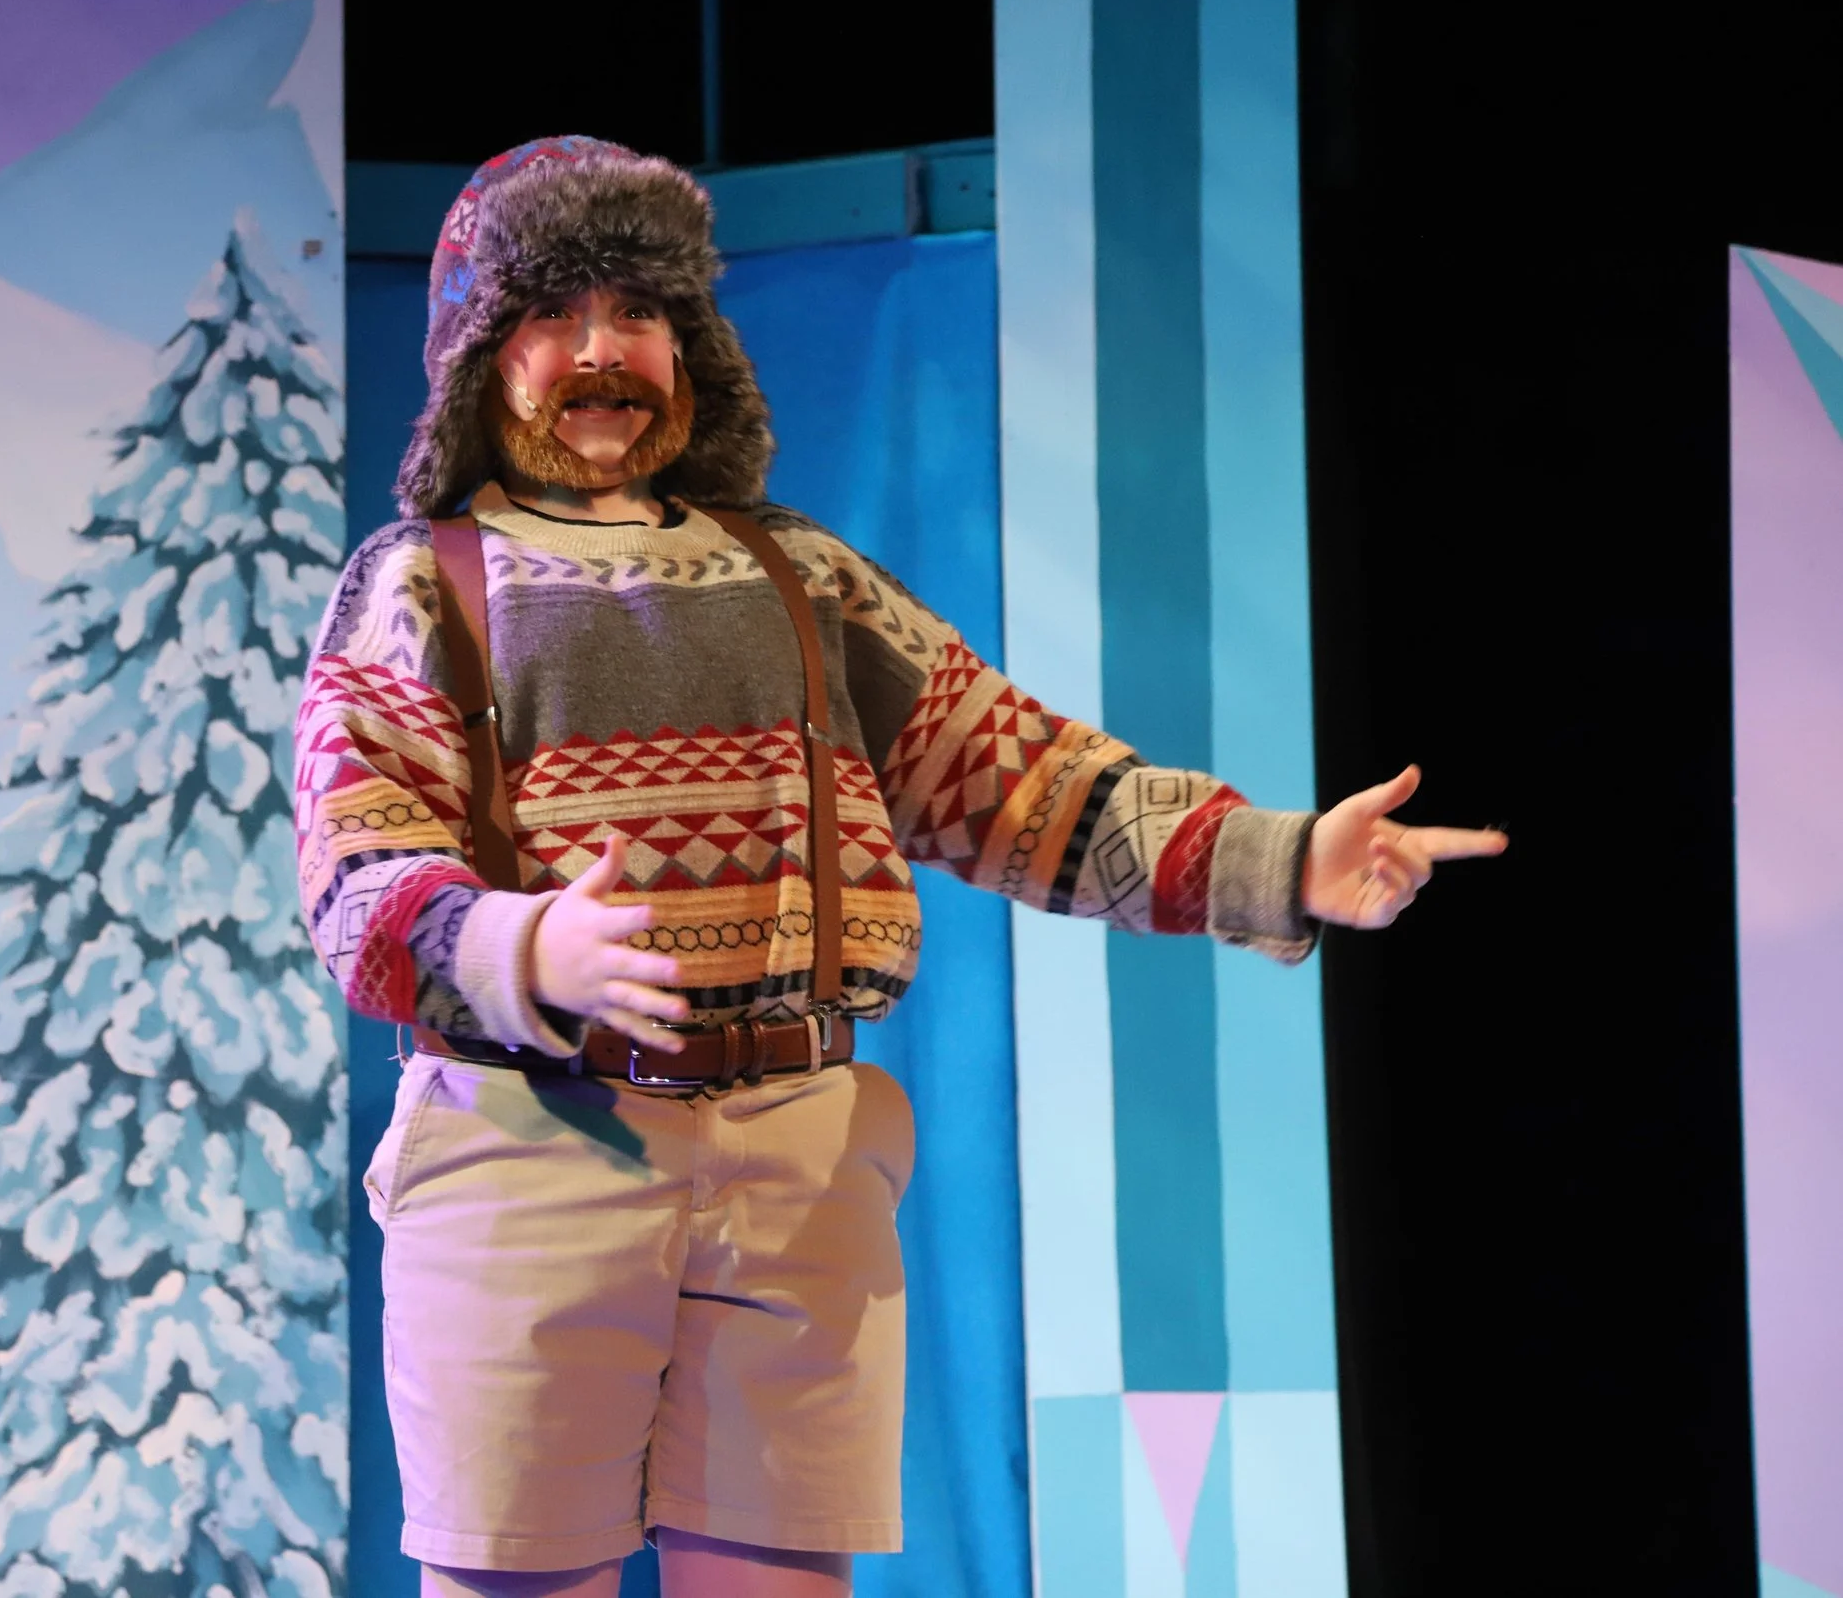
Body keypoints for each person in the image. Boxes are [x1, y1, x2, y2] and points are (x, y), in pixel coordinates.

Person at [292, 137, 1503, 1598]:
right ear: (483, 354)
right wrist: (524, 951)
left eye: (639, 310)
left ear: (692, 345)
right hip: (537, 1147)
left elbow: (1021, 777)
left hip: (794, 1153)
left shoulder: (799, 576)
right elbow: (363, 870)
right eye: (554, 315)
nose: (602, 352)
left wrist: (1281, 856)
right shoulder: (424, 584)